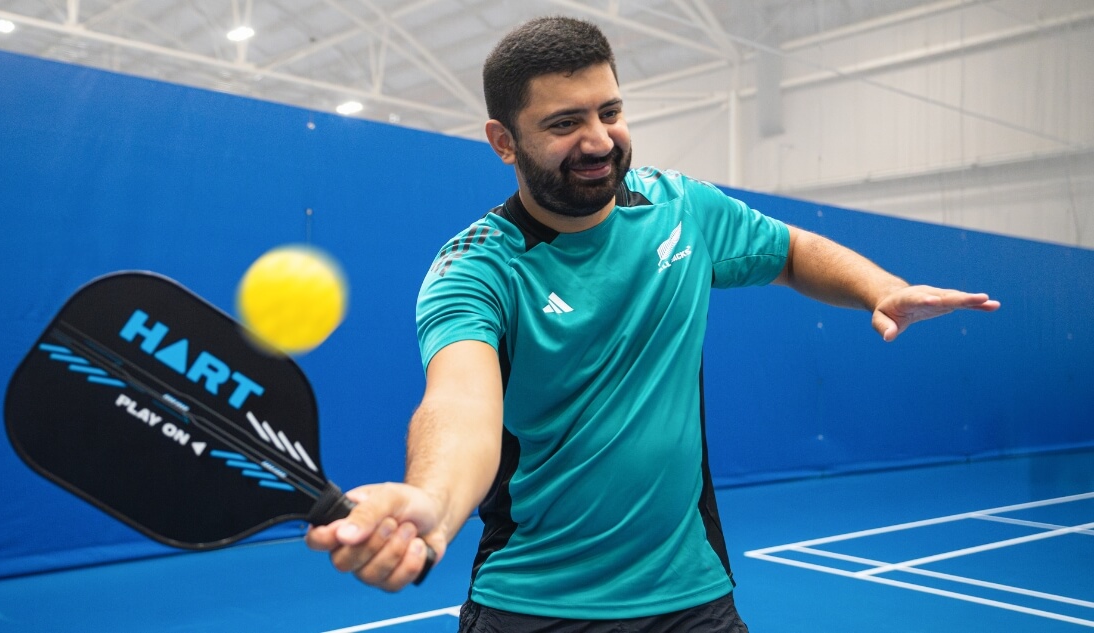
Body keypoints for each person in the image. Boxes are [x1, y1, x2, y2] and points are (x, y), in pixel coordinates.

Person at [308, 15, 999, 632]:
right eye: (563, 123)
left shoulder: (681, 210)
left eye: (610, 111)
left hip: (693, 595)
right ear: (503, 141)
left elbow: (790, 251)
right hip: (535, 605)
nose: (599, 139)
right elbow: (460, 403)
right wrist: (431, 497)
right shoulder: (477, 267)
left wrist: (882, 289)